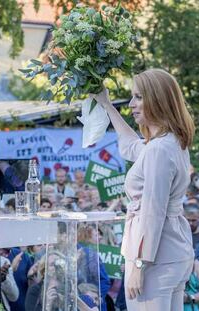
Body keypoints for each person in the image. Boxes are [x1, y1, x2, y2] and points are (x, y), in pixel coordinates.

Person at [95, 68, 195, 310]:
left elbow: (153, 212)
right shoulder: (169, 143)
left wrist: (139, 266)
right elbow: (130, 146)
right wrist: (107, 105)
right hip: (171, 254)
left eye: (139, 97)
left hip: (155, 260)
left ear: (158, 99)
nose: (132, 104)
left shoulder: (159, 149)